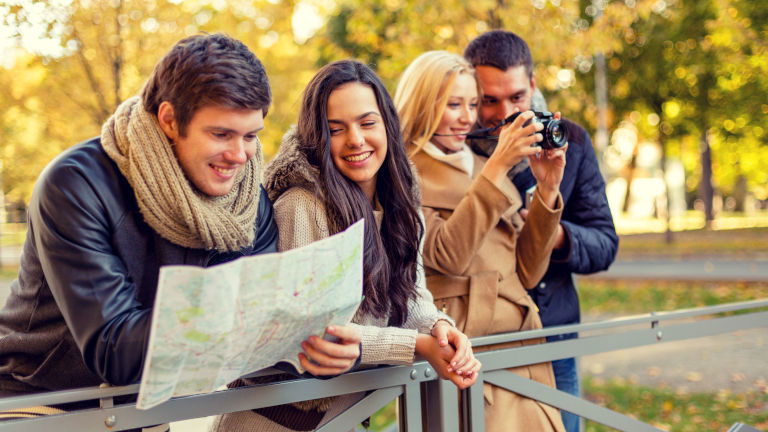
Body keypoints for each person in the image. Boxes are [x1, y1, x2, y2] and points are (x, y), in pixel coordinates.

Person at [0, 34, 278, 429]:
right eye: (221, 134)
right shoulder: (76, 184)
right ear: (169, 119)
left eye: (251, 136)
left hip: (141, 410)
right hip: (39, 403)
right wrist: (244, 316)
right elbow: (116, 350)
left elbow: (265, 327)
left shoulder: (246, 199)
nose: (239, 155)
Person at [210, 60, 480, 431]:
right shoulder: (300, 205)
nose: (356, 139)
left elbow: (412, 294)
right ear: (318, 136)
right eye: (336, 129)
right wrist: (416, 346)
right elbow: (316, 333)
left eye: (367, 123)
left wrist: (439, 327)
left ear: (387, 125)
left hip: (343, 416)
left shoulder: (402, 203)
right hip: (272, 420)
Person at [394, 50, 566, 432]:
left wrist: (548, 189)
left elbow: (528, 271)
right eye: (453, 104)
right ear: (423, 106)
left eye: (472, 104)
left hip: (523, 342)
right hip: (465, 346)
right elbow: (446, 256)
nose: (467, 117)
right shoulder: (401, 172)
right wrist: (499, 166)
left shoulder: (478, 162)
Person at [464, 31, 620, 432]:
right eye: (489, 100)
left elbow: (604, 243)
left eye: (516, 97)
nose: (504, 113)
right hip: (480, 342)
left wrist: (552, 231)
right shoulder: (452, 149)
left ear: (533, 85)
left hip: (553, 335)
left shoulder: (573, 141)